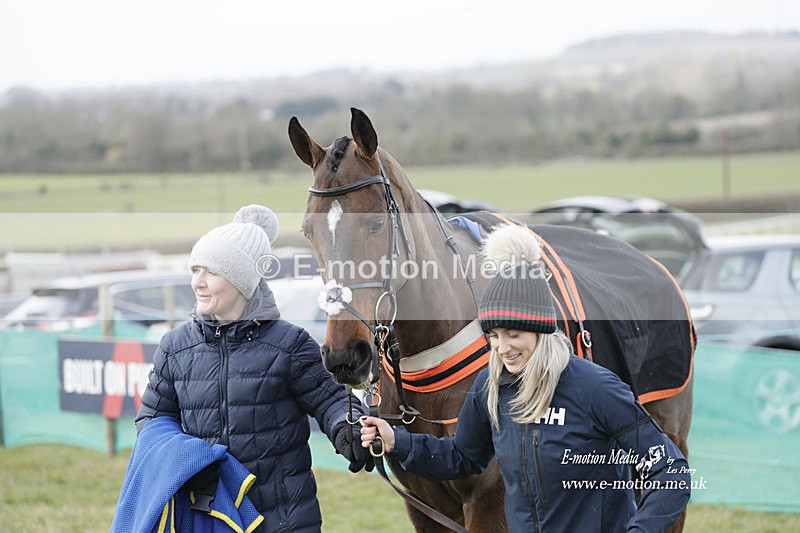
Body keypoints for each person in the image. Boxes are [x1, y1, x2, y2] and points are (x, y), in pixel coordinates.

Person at [360, 223, 691, 532]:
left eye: (513, 334)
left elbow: (670, 471)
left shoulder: (595, 388)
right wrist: (396, 440)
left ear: (540, 329)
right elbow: (461, 458)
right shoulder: (492, 388)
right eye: (493, 335)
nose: (502, 348)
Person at [132, 204, 372, 532]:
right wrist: (187, 460)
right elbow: (152, 419)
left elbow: (331, 400)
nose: (198, 283)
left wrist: (348, 429)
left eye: (211, 272)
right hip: (208, 515)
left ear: (241, 281)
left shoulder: (289, 343)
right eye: (195, 270)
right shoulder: (175, 346)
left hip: (283, 519)